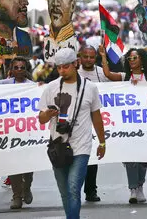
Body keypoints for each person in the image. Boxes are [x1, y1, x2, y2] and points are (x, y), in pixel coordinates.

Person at [38, 48, 106, 219]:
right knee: (65, 192)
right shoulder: (51, 87)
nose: (62, 71)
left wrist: (102, 142)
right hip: (58, 146)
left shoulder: (90, 88)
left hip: (81, 146)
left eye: (66, 67)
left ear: (75, 64)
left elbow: (97, 117)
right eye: (59, 67)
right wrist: (48, 114)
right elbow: (41, 119)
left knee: (74, 189)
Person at [99, 46, 147, 204]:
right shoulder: (125, 77)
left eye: (134, 58)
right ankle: (132, 189)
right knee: (130, 156)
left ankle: (140, 187)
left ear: (142, 60)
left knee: (143, 158)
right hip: (128, 125)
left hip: (145, 123)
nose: (131, 61)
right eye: (129, 58)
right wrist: (104, 57)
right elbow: (108, 74)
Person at [0, 57, 35, 209]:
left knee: (28, 167)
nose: (19, 70)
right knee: (13, 165)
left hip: (27, 132)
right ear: (11, 70)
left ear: (26, 70)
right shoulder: (5, 85)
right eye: (16, 68)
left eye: (22, 68)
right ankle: (17, 196)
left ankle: (27, 187)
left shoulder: (32, 86)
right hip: (10, 132)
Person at [78, 45, 109, 202]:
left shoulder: (101, 73)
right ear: (80, 57)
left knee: (91, 159)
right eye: (86, 56)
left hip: (95, 120)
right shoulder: (73, 73)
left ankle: (91, 190)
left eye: (92, 57)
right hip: (77, 123)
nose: (89, 60)